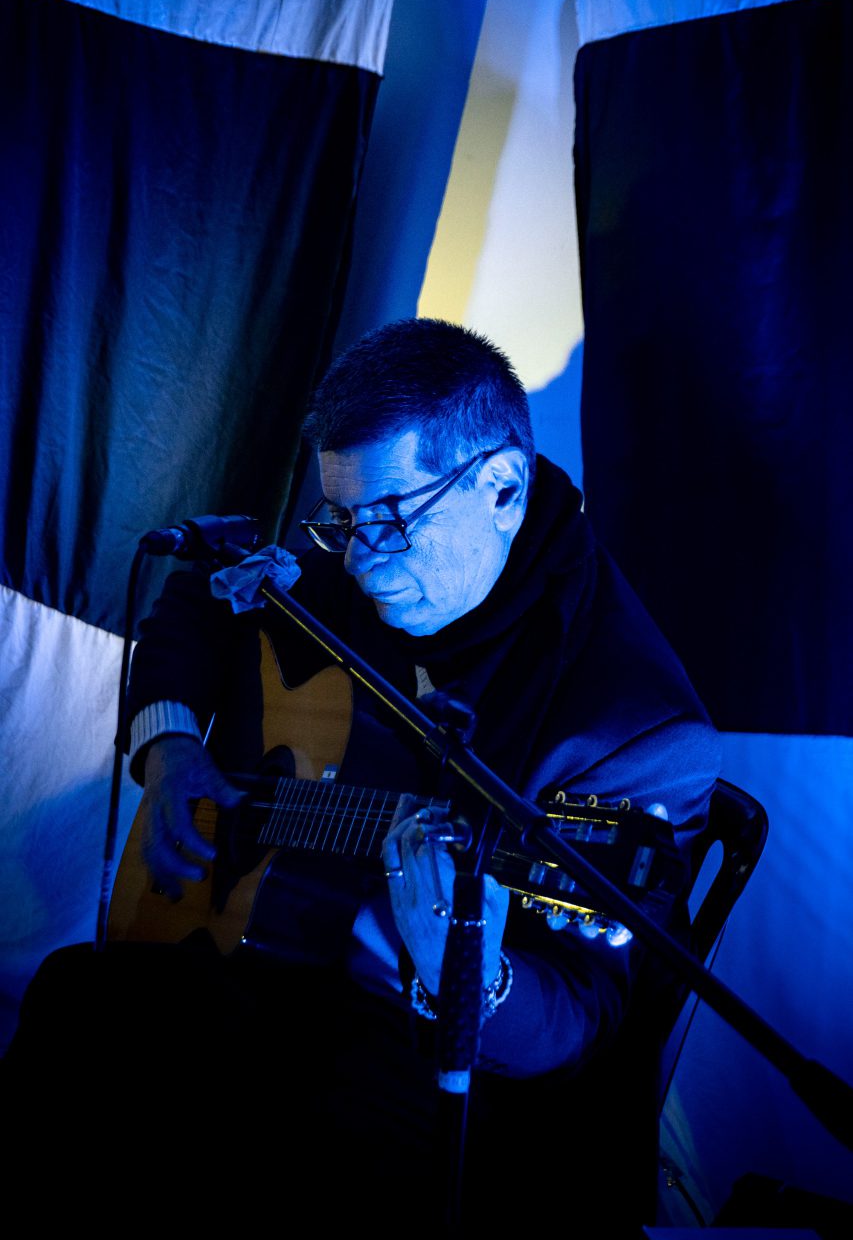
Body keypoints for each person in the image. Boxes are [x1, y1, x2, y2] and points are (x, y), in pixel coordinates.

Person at [2, 317, 720, 1235]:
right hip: (277, 972)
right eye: (340, 521)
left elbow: (579, 1020)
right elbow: (206, 597)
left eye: (386, 521)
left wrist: (472, 970)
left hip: (438, 1065)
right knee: (82, 1004)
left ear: (501, 487)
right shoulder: (363, 550)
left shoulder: (634, 726)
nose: (359, 561)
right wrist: (172, 746)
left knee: (274, 1148)